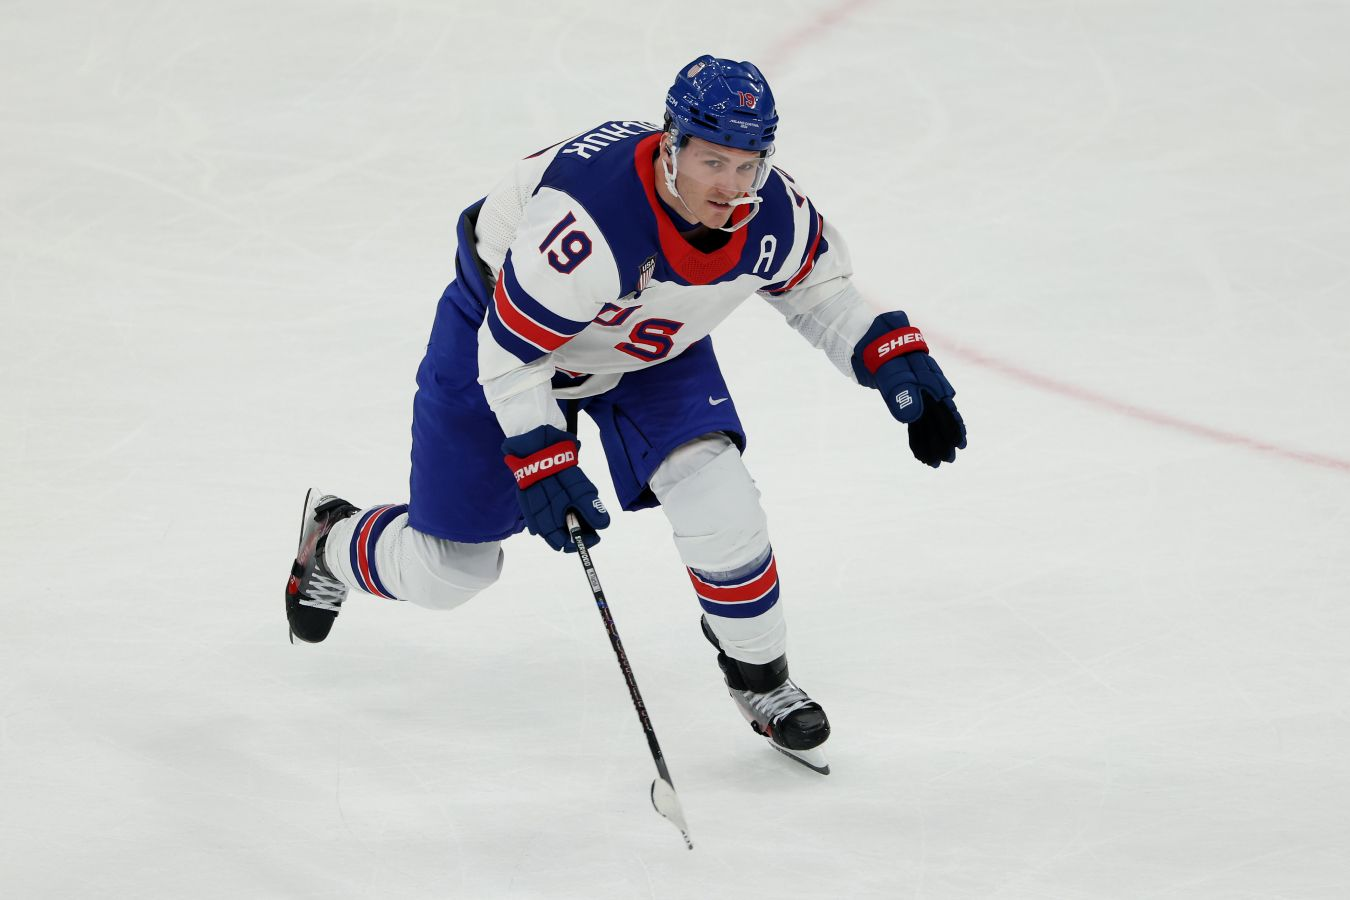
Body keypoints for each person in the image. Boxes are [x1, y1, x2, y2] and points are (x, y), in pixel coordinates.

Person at [284, 55, 967, 774]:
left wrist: (888, 354)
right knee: (450, 572)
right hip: (502, 342)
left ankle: (760, 678)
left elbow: (819, 290)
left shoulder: (774, 211)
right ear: (671, 146)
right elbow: (513, 355)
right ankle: (333, 540)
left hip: (648, 348)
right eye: (711, 162)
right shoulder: (588, 221)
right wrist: (541, 453)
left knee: (719, 495)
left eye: (747, 166)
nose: (732, 187)